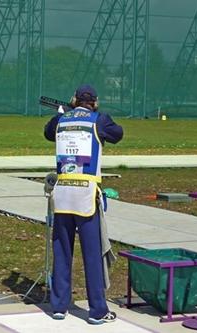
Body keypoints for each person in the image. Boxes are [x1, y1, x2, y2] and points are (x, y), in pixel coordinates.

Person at [44, 84, 123, 325]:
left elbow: (48, 132)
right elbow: (118, 134)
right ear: (95, 102)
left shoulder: (60, 121)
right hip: (86, 196)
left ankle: (59, 306)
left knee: (62, 252)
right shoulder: (99, 119)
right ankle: (97, 310)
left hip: (63, 195)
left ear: (74, 99)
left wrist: (63, 113)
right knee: (93, 256)